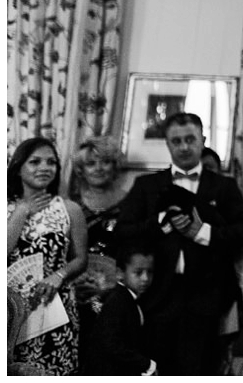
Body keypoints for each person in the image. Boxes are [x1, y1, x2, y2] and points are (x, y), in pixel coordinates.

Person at [114, 111, 243, 375]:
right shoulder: (146, 185)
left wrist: (202, 232)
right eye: (176, 141)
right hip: (156, 296)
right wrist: (158, 224)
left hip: (207, 299)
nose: (183, 147)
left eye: (190, 139)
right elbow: (122, 233)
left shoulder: (224, 186)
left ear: (202, 140)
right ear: (167, 144)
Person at [6, 137, 88, 375]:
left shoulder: (69, 209)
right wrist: (22, 211)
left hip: (55, 305)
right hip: (10, 310)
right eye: (35, 162)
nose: (44, 167)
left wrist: (59, 275)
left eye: (51, 162)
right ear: (19, 168)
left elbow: (81, 259)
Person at [68, 137, 129, 329]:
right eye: (91, 163)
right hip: (77, 289)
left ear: (115, 165)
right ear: (81, 169)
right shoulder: (70, 204)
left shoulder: (132, 203)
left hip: (118, 291)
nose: (99, 168)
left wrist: (113, 285)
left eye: (105, 162)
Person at [81, 243, 157, 375]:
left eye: (149, 272)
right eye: (138, 273)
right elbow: (111, 343)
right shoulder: (118, 301)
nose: (145, 278)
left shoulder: (128, 298)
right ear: (120, 273)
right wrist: (145, 363)